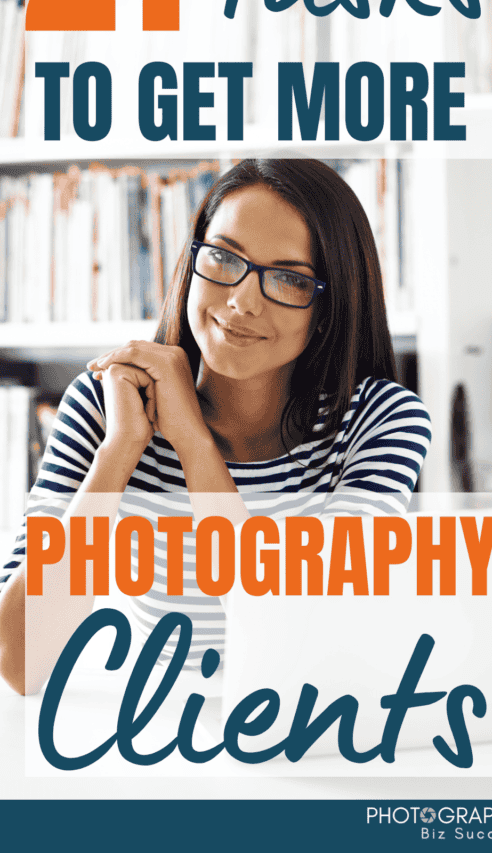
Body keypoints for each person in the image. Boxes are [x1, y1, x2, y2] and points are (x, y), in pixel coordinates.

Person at [0, 158, 431, 695]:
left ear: (329, 305)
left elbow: (299, 634)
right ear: (192, 261)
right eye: (225, 258)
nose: (241, 300)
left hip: (314, 739)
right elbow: (24, 662)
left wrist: (194, 445)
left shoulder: (381, 421)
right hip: (161, 739)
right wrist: (118, 452)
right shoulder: (108, 403)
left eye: (289, 279)